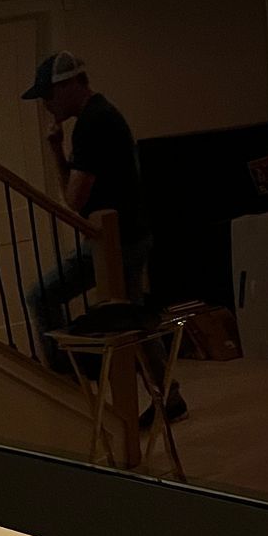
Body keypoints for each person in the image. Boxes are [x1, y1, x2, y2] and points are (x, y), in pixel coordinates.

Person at [20, 52, 185, 422]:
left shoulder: (92, 124)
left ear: (68, 86)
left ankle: (68, 376)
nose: (46, 104)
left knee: (44, 295)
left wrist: (55, 151)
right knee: (134, 320)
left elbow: (74, 200)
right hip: (126, 236)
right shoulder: (103, 115)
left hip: (116, 242)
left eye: (49, 95)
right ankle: (169, 395)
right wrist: (56, 150)